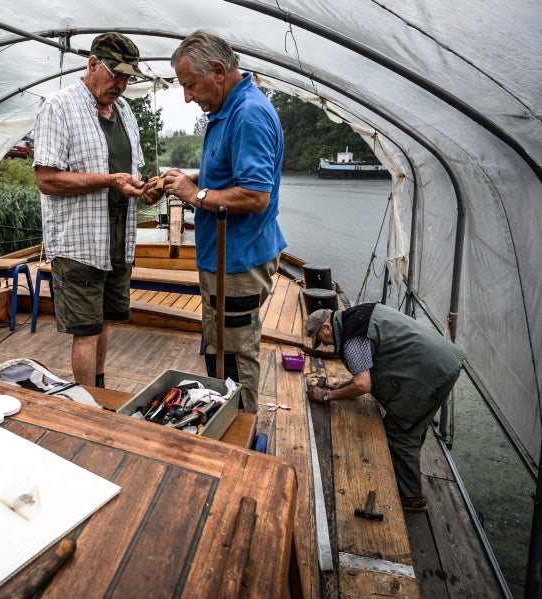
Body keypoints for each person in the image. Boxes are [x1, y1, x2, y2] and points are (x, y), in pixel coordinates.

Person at [143, 29, 286, 411]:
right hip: (222, 258)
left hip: (238, 259)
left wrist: (196, 195)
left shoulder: (249, 114)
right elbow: (229, 176)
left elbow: (256, 195)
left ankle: (241, 434)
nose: (188, 96)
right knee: (218, 348)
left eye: (191, 85)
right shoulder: (226, 109)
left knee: (236, 356)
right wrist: (186, 180)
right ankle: (222, 418)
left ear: (219, 71)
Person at [32, 32, 147, 388]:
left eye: (128, 78)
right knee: (86, 328)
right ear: (93, 64)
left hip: (117, 234)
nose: (122, 85)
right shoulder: (59, 106)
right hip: (78, 238)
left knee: (105, 319)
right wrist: (109, 181)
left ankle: (97, 389)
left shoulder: (125, 112)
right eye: (116, 75)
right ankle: (86, 406)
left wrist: (144, 190)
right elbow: (48, 180)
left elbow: (132, 172)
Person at [304, 304, 465, 511]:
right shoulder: (357, 316)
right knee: (414, 426)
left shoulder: (352, 339)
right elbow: (366, 367)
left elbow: (363, 385)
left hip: (433, 372)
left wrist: (327, 396)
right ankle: (408, 474)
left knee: (400, 433)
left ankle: (412, 498)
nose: (325, 345)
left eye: (322, 339)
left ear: (327, 327)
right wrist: (345, 385)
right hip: (444, 361)